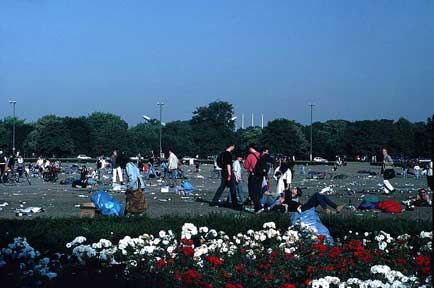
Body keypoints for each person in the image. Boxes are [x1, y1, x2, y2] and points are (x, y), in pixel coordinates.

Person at [210, 144, 239, 209]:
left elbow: (218, 162)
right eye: (233, 147)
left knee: (222, 187)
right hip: (227, 171)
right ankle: (235, 204)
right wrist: (229, 174)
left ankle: (214, 201)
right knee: (232, 187)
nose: (233, 148)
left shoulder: (222, 154)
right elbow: (228, 165)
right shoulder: (228, 154)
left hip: (223, 171)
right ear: (231, 146)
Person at [243, 144, 261, 209]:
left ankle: (257, 206)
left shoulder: (250, 156)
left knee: (252, 191)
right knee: (258, 190)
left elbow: (245, 166)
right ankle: (258, 204)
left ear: (251, 148)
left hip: (253, 175)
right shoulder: (260, 154)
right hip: (260, 175)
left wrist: (244, 162)